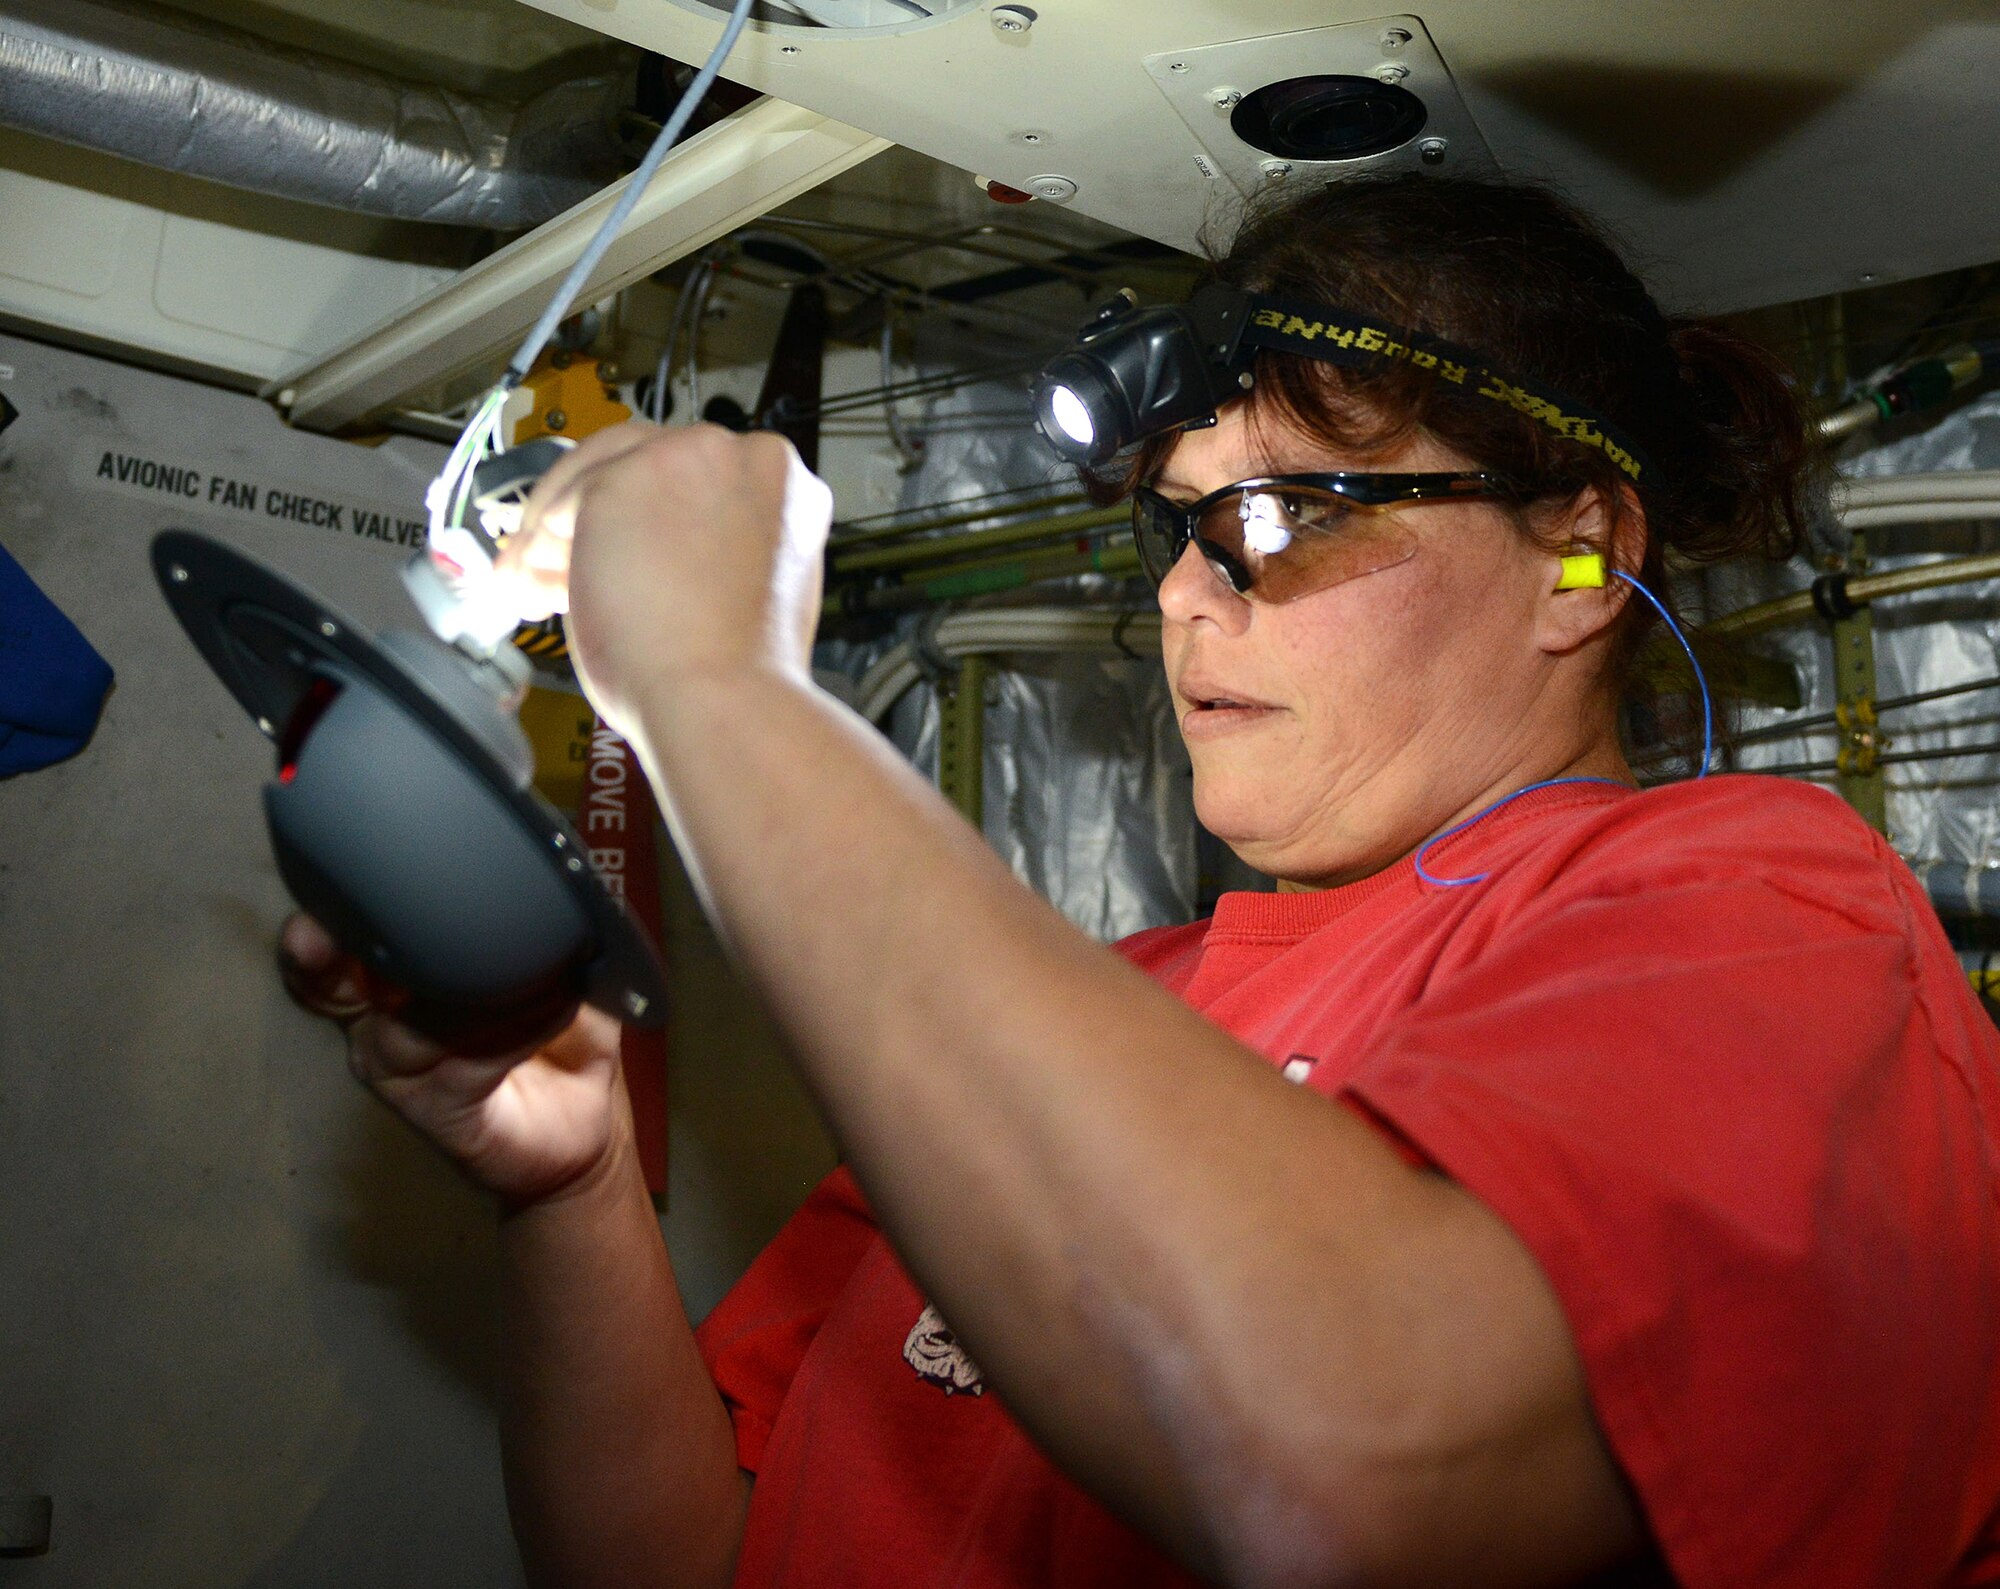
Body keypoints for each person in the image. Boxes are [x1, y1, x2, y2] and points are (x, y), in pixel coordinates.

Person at [283, 174, 2000, 1588]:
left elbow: (1367, 1463)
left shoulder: (1768, 914)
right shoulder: (1102, 1021)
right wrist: (568, 1184)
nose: (1190, 595)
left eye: (1285, 517)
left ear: (1581, 555)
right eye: (1178, 526)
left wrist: (723, 688)